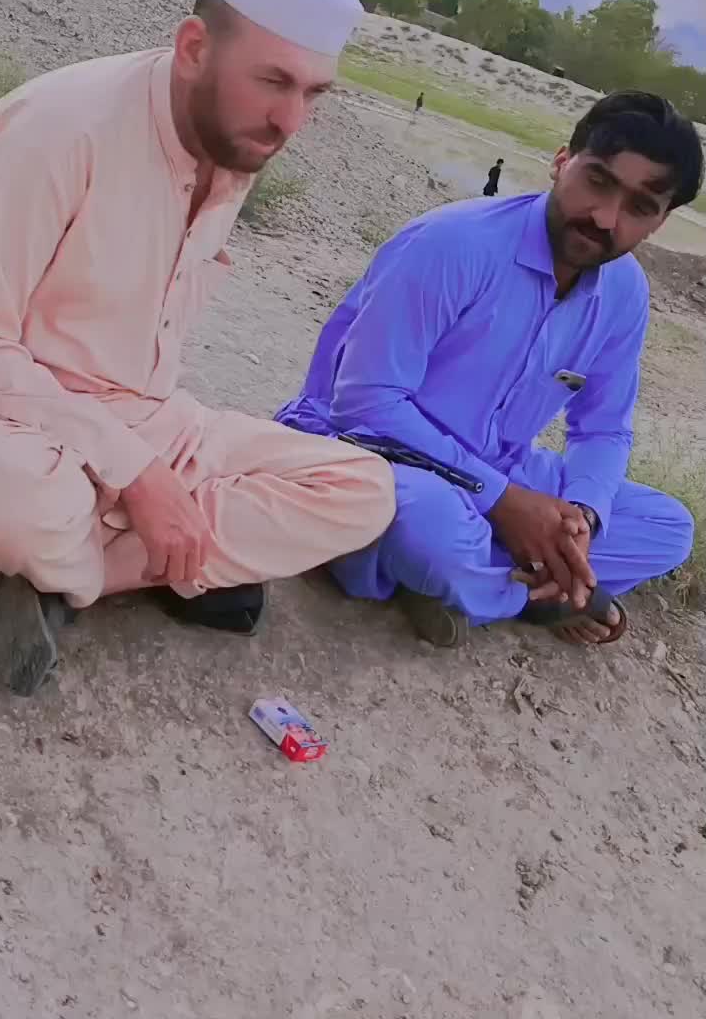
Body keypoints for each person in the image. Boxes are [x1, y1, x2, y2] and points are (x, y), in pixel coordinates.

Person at [0, 0, 395, 695]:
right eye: (273, 81)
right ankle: (153, 559)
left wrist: (142, 467)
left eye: (314, 94)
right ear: (194, 48)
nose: (291, 121)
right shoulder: (64, 129)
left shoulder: (234, 138)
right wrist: (138, 477)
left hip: (144, 420)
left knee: (363, 490)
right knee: (23, 503)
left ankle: (68, 576)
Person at [277, 91, 703, 649]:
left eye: (639, 207)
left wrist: (583, 519)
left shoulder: (624, 294)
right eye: (598, 181)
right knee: (430, 525)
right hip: (369, 451)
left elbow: (603, 429)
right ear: (561, 161)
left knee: (667, 526)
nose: (605, 217)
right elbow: (365, 404)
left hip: (499, 467)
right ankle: (532, 597)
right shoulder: (452, 244)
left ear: (660, 222)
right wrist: (501, 501)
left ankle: (470, 578)